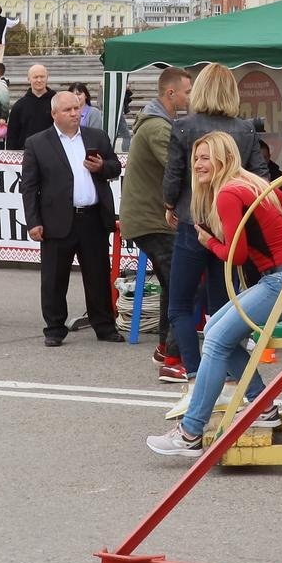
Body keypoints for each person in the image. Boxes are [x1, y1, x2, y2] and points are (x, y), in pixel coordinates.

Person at [145, 132, 282, 455]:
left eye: (205, 157)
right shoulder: (251, 184)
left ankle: (190, 432)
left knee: (215, 338)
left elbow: (235, 256)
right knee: (213, 331)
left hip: (281, 282)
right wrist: (277, 238)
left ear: (223, 159)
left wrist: (208, 241)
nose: (198, 164)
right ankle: (262, 407)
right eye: (196, 158)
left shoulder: (227, 193)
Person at [160, 64, 263, 379]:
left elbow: (174, 175)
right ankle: (227, 372)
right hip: (228, 226)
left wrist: (169, 205)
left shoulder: (183, 127)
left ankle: (193, 370)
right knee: (221, 306)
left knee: (179, 305)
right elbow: (260, 177)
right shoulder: (246, 130)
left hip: (193, 220)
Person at [23, 88, 122, 345]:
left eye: (77, 108)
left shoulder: (96, 136)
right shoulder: (37, 143)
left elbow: (115, 166)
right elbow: (30, 187)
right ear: (54, 113)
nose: (74, 114)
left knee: (98, 275)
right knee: (54, 278)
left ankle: (104, 325)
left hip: (92, 218)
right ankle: (54, 329)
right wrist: (33, 221)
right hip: (56, 220)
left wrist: (102, 167)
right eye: (68, 110)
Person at [123, 68, 184, 379]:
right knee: (180, 285)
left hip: (147, 217)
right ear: (170, 94)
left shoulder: (156, 122)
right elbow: (178, 169)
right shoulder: (159, 128)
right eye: (186, 92)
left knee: (172, 283)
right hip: (151, 219)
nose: (189, 97)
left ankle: (165, 346)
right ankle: (174, 359)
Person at [5, 62, 57, 152]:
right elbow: (12, 136)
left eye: (42, 76)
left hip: (52, 152)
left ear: (47, 77)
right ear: (29, 79)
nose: (39, 80)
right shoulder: (19, 106)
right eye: (35, 77)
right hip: (27, 154)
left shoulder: (57, 102)